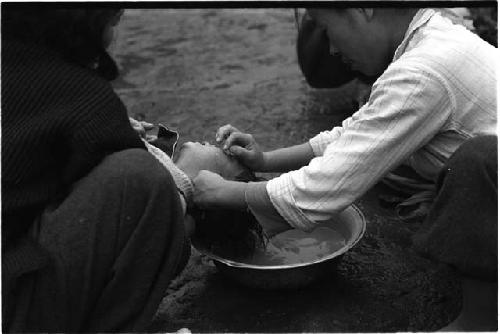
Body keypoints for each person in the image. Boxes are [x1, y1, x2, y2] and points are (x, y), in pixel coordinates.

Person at [192, 7, 497, 330]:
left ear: (363, 9)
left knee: (474, 162)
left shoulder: (424, 71)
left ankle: (479, 322)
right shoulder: (430, 39)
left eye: (327, 29)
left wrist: (227, 192)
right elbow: (355, 134)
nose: (332, 49)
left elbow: (323, 188)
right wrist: (266, 161)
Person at [1, 7, 245, 332]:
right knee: (142, 180)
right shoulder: (83, 97)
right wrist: (180, 184)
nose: (206, 143)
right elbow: (140, 182)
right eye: (114, 22)